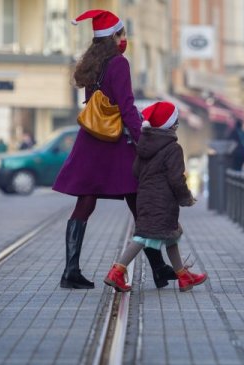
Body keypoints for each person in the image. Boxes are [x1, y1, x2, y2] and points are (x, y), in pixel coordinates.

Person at [53, 9, 177, 290]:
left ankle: (71, 271)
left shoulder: (91, 63)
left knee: (85, 202)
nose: (125, 39)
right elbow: (126, 105)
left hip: (91, 141)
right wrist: (143, 138)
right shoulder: (119, 63)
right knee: (138, 203)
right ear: (114, 37)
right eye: (122, 34)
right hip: (116, 144)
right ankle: (158, 268)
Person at [104, 101, 207, 292]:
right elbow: (176, 179)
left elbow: (136, 171)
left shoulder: (144, 145)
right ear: (171, 125)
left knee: (171, 235)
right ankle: (117, 271)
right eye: (175, 120)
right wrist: (186, 198)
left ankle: (183, 276)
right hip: (163, 201)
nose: (177, 124)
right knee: (143, 237)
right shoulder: (173, 148)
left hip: (145, 197)